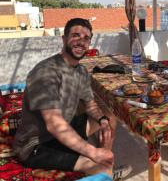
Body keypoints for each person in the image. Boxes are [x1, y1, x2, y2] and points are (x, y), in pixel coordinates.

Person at [13, 18, 131, 180]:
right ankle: (103, 170)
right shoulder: (45, 72)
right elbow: (55, 125)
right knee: (99, 166)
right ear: (64, 39)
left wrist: (102, 120)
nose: (81, 42)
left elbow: (90, 105)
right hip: (37, 144)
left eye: (86, 38)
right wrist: (92, 152)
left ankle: (106, 163)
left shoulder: (80, 71)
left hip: (63, 130)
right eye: (76, 35)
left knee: (110, 118)